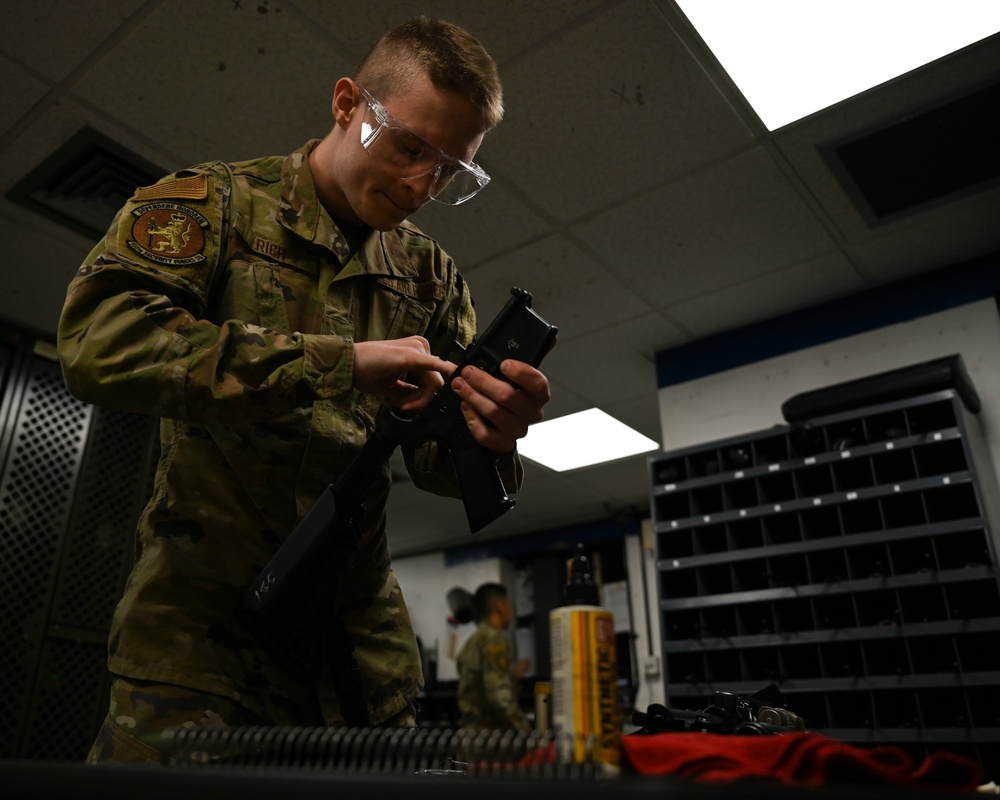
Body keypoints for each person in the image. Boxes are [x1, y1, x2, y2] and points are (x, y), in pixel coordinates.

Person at [56, 16, 551, 765]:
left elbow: (437, 467)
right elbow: (98, 341)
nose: (423, 183)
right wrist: (339, 365)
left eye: (452, 170)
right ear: (348, 103)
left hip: (359, 664)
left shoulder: (431, 278)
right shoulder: (213, 205)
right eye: (410, 146)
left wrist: (490, 430)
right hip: (203, 646)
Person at [455, 582, 531, 733]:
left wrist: (512, 672)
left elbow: (480, 681)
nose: (511, 610)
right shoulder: (494, 639)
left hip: (471, 736)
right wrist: (527, 732)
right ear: (500, 606)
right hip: (491, 739)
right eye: (509, 604)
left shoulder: (473, 641)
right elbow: (499, 696)